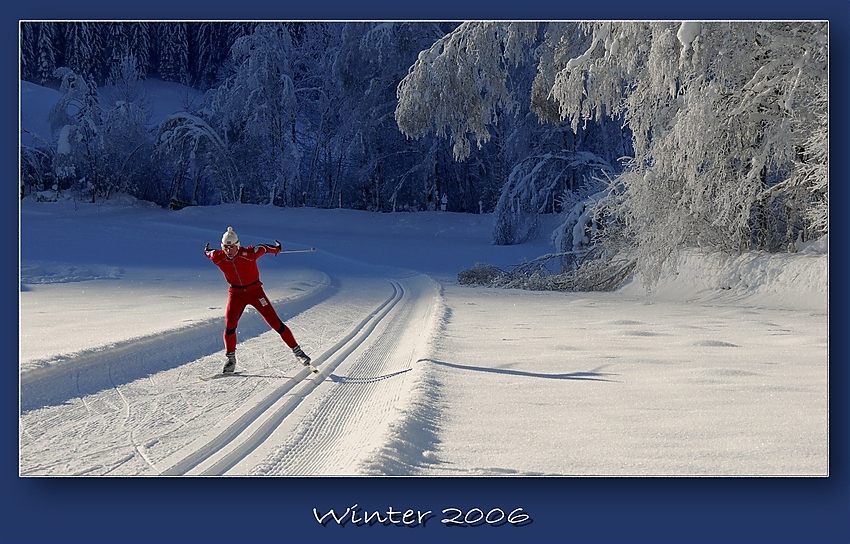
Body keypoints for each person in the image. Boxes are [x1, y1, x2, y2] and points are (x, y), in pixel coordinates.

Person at [204, 226, 311, 374]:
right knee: (230, 327)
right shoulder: (218, 256)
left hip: (255, 292)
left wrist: (277, 249)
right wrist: (207, 250)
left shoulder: (248, 253)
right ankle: (230, 359)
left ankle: (298, 352)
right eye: (226, 247)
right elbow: (208, 253)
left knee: (276, 324)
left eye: (232, 247)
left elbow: (264, 248)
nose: (229, 251)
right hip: (236, 294)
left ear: (238, 245)